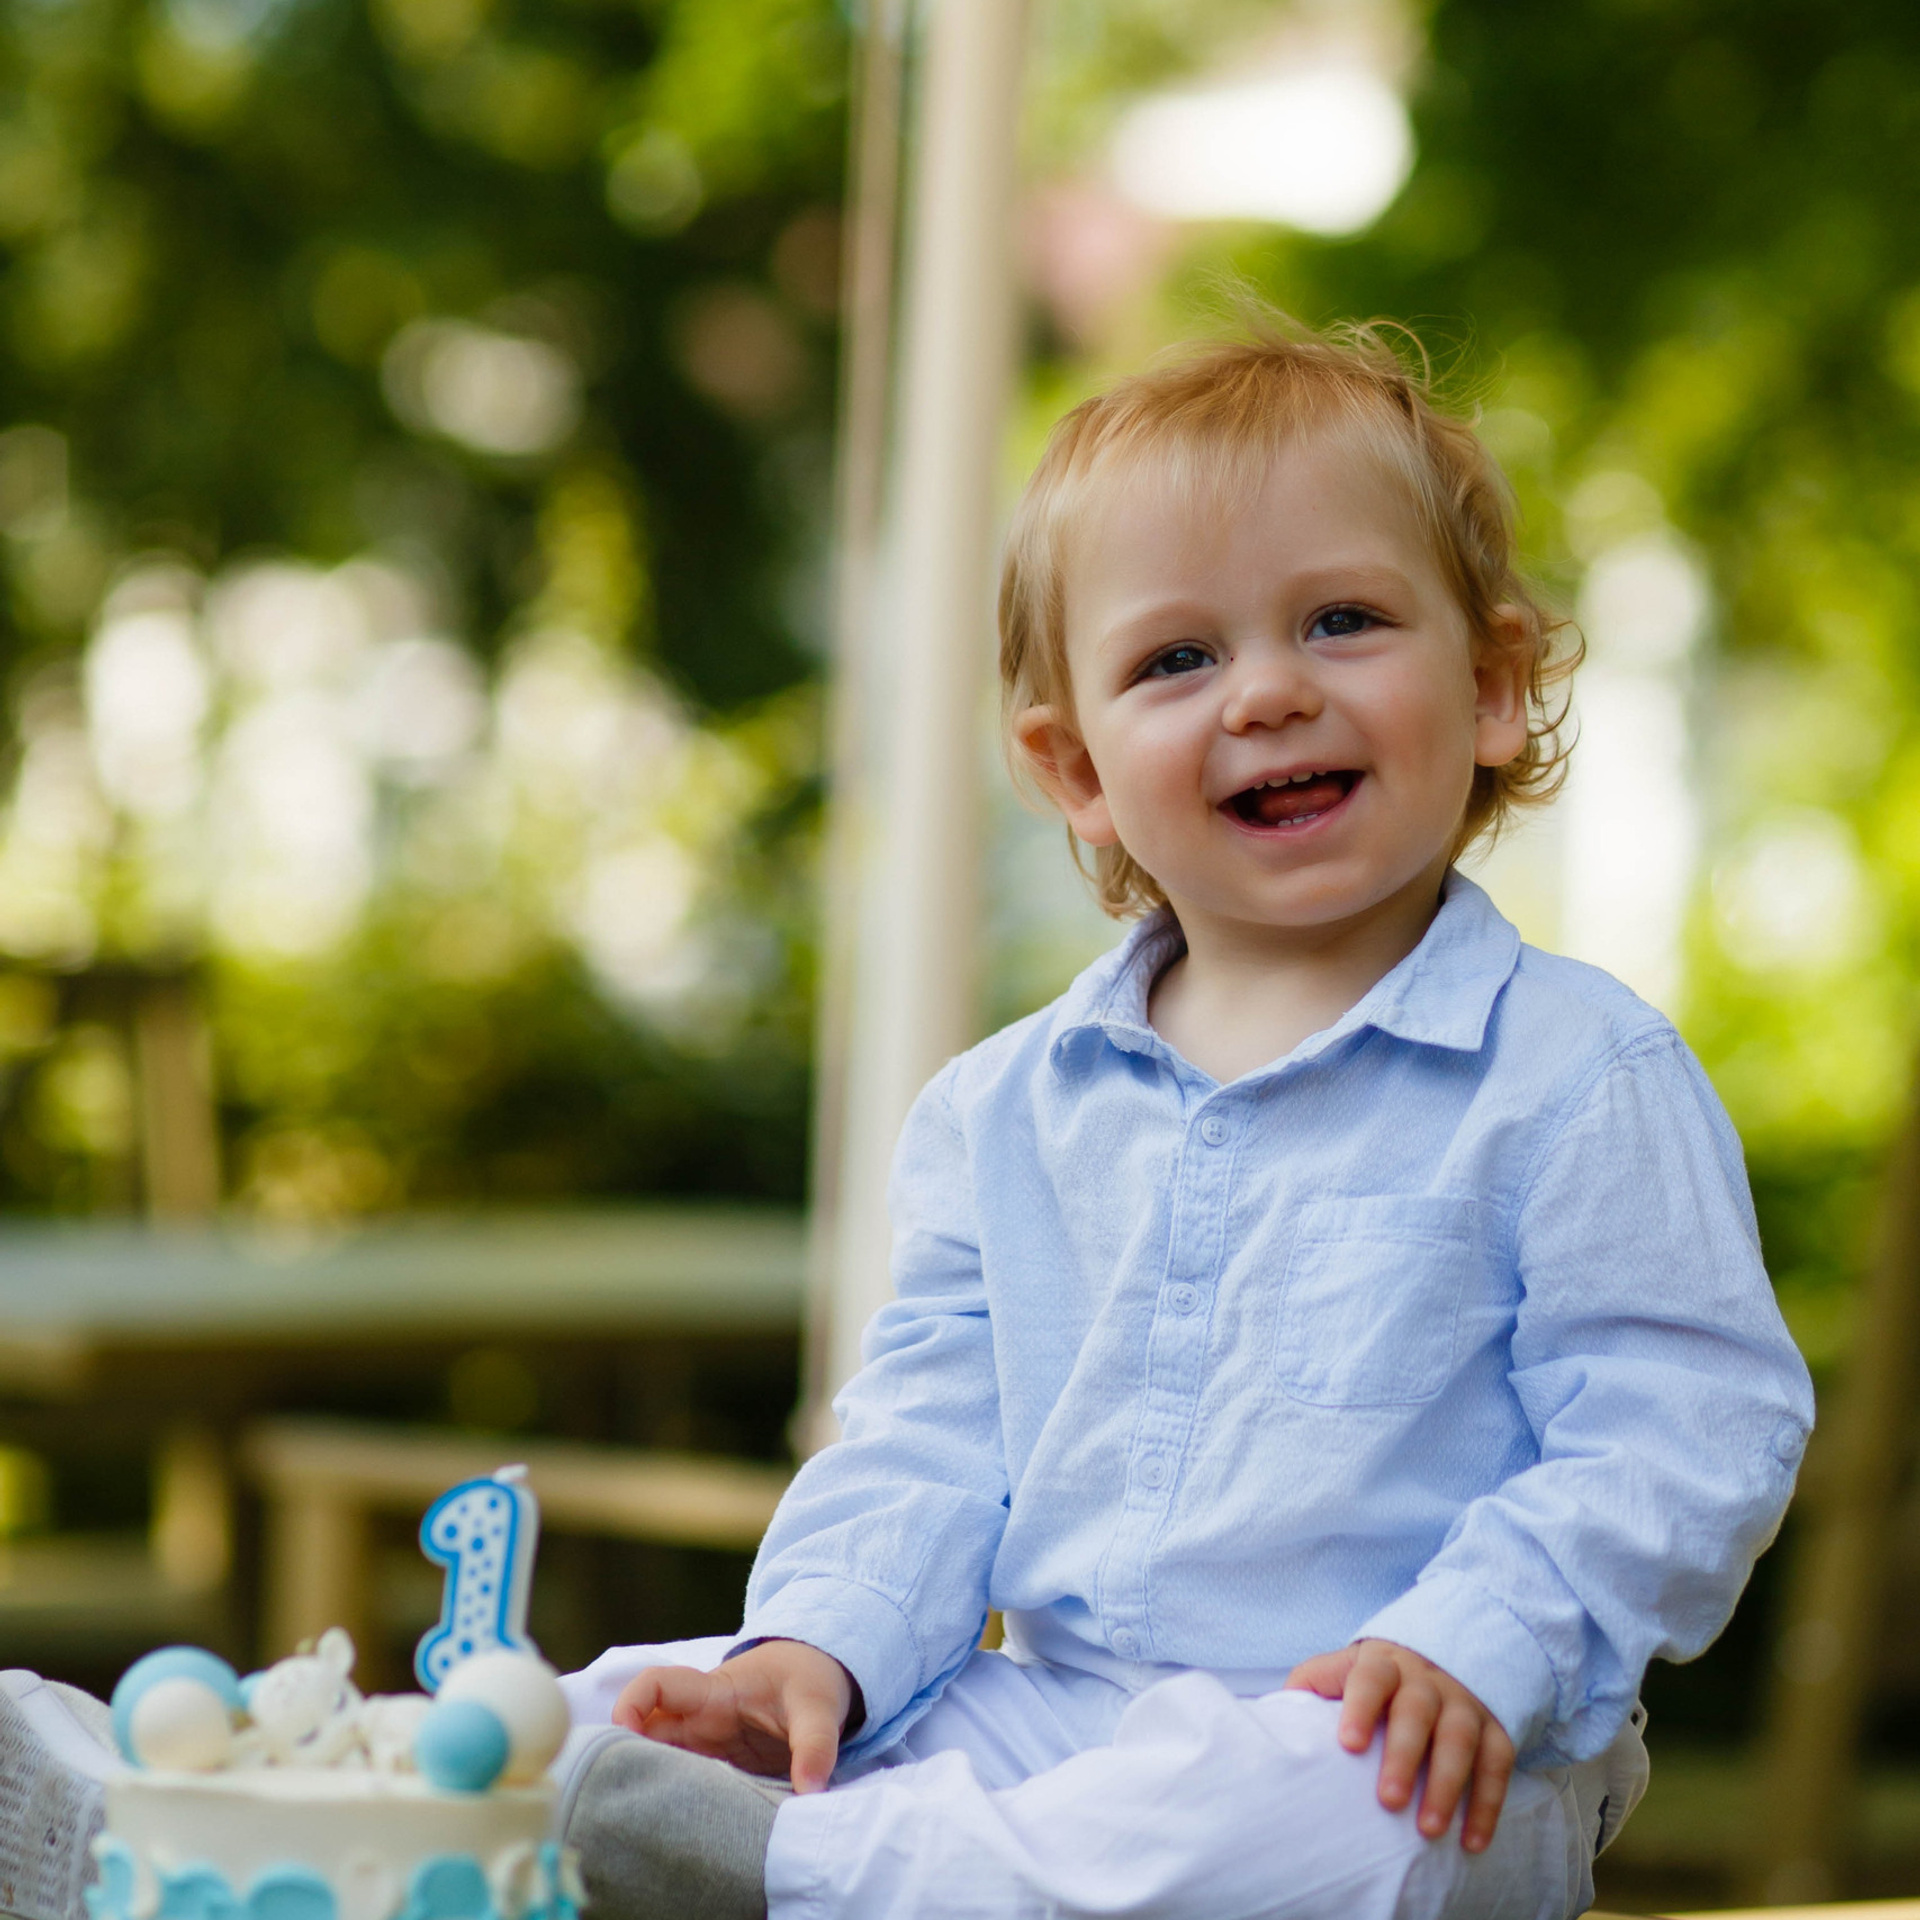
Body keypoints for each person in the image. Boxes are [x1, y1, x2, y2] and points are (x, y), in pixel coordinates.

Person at [0, 318, 1814, 1920]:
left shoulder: (1573, 1073)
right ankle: (247, 1796)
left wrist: (1474, 1638)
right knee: (647, 1692)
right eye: (1178, 660)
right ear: (1076, 771)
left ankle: (769, 1878)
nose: (1268, 689)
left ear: (1492, 685)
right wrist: (819, 1653)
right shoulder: (1003, 1109)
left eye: (1343, 621)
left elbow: (1687, 1424)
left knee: (1321, 1826)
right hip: (1051, 1712)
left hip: (1410, 1750)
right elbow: (932, 1445)